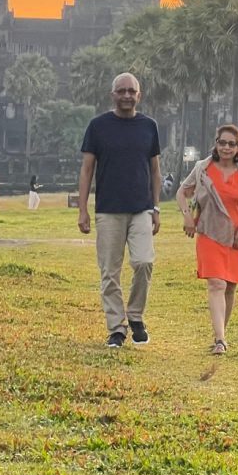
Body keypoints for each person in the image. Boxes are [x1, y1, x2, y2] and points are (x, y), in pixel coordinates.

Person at [78, 73, 162, 349]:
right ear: (113, 94)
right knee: (109, 272)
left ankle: (135, 316)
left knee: (144, 262)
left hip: (141, 208)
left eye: (131, 91)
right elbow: (87, 168)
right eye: (121, 91)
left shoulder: (149, 126)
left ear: (140, 95)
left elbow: (155, 170)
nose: (126, 95)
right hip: (108, 209)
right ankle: (116, 328)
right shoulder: (98, 126)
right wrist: (83, 210)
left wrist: (156, 206)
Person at [177, 124, 238, 356]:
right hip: (210, 233)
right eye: (222, 142)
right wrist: (187, 217)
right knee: (217, 283)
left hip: (237, 236)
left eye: (232, 144)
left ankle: (220, 334)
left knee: (230, 287)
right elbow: (182, 192)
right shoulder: (202, 168)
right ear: (215, 144)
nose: (226, 147)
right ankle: (220, 339)